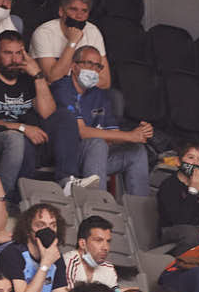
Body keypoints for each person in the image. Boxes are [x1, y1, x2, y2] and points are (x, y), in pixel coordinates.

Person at [50, 45, 151, 197]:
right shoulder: (62, 87)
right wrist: (130, 135)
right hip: (66, 157)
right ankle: (99, 208)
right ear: (74, 66)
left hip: (95, 158)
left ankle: (139, 213)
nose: (93, 69)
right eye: (88, 63)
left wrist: (140, 132)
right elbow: (81, 132)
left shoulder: (99, 94)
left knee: (137, 151)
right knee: (97, 143)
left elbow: (114, 134)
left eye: (98, 66)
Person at [0, 30, 59, 202]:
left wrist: (38, 75)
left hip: (29, 142)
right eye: (7, 53)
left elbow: (48, 112)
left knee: (61, 120)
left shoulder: (28, 79)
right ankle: (3, 200)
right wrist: (21, 128)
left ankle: (26, 200)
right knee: (16, 138)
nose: (14, 60)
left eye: (18, 53)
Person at [30, 0, 112, 88]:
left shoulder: (93, 31)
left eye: (84, 11)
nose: (79, 16)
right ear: (61, 11)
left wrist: (76, 84)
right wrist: (72, 42)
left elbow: (105, 82)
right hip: (52, 92)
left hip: (84, 91)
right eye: (73, 9)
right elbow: (53, 78)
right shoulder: (43, 33)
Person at [157, 141, 199, 255]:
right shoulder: (168, 185)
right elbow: (178, 220)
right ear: (178, 161)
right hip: (173, 231)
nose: (195, 163)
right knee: (192, 233)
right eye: (191, 158)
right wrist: (193, 191)